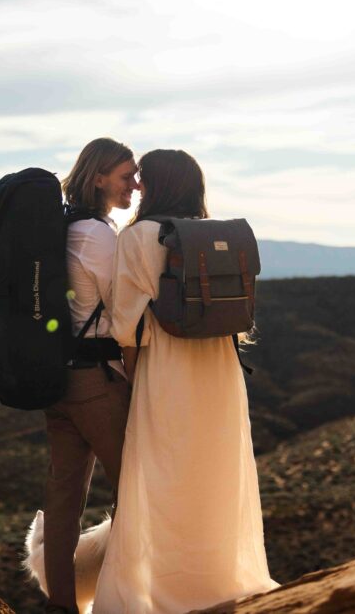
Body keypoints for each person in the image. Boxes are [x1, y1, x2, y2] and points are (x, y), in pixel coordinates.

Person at [92, 149, 279, 613]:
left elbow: (125, 324)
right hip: (220, 367)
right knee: (216, 471)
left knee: (162, 476)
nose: (137, 187)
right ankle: (219, 578)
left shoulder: (138, 237)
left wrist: (133, 380)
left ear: (156, 185)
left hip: (167, 369)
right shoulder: (217, 235)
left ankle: (159, 592)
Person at [43, 137, 140, 614]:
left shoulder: (63, 227)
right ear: (99, 177)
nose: (136, 185)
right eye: (127, 176)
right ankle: (121, 600)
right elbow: (121, 311)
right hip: (97, 383)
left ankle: (62, 605)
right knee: (135, 490)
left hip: (58, 379)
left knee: (63, 501)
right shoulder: (98, 235)